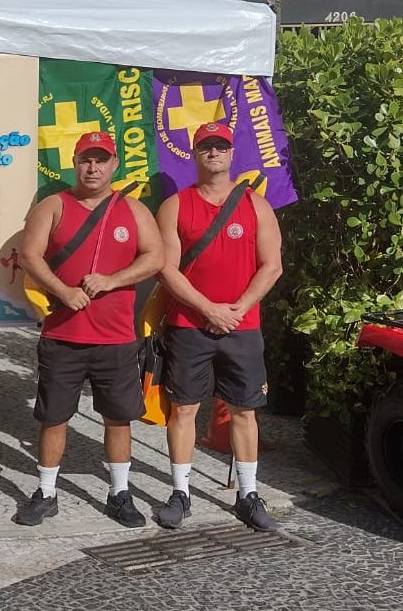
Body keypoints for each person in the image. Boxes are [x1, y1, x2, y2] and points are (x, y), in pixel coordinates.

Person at [14, 131, 163, 528]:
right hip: (63, 336)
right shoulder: (53, 206)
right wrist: (62, 290)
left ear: (114, 165)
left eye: (101, 160)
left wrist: (113, 280)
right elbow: (29, 255)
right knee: (53, 417)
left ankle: (120, 493)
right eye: (85, 159)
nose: (92, 168)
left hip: (116, 337)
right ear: (75, 163)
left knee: (118, 418)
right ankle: (46, 493)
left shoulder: (133, 210)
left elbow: (156, 257)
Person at [154, 122, 283, 531]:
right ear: (195, 154)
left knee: (244, 410)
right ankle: (180, 493)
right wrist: (208, 309)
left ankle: (248, 495)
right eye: (206, 146)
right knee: (183, 409)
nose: (214, 152)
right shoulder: (175, 206)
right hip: (188, 324)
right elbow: (166, 269)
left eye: (220, 146)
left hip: (242, 326)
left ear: (231, 153)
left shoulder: (256, 205)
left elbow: (272, 266)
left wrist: (238, 309)